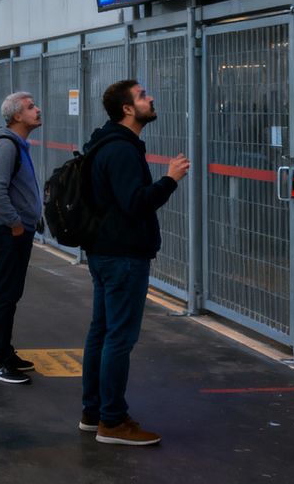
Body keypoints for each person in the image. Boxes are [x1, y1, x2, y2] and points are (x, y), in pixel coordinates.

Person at [81, 80, 189, 445]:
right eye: (143, 96)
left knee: (102, 332)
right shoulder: (122, 150)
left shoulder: (104, 142)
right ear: (128, 109)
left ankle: (92, 412)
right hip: (123, 256)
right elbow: (135, 203)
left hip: (103, 251)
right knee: (118, 338)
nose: (151, 98)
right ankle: (112, 421)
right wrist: (170, 180)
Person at [0, 92, 43, 385]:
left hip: (16, 230)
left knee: (10, 293)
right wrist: (16, 223)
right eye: (31, 107)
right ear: (17, 116)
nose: (37, 110)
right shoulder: (7, 145)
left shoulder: (17, 144)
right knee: (5, 294)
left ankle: (4, 352)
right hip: (7, 231)